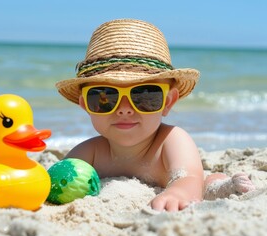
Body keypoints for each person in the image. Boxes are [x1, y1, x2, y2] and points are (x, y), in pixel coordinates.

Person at [55, 19, 255, 212]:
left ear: (167, 102)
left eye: (144, 95)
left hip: (194, 182)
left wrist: (178, 193)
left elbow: (188, 179)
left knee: (209, 183)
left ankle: (223, 186)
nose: (125, 109)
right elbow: (58, 177)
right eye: (105, 96)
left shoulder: (171, 140)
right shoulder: (91, 152)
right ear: (85, 105)